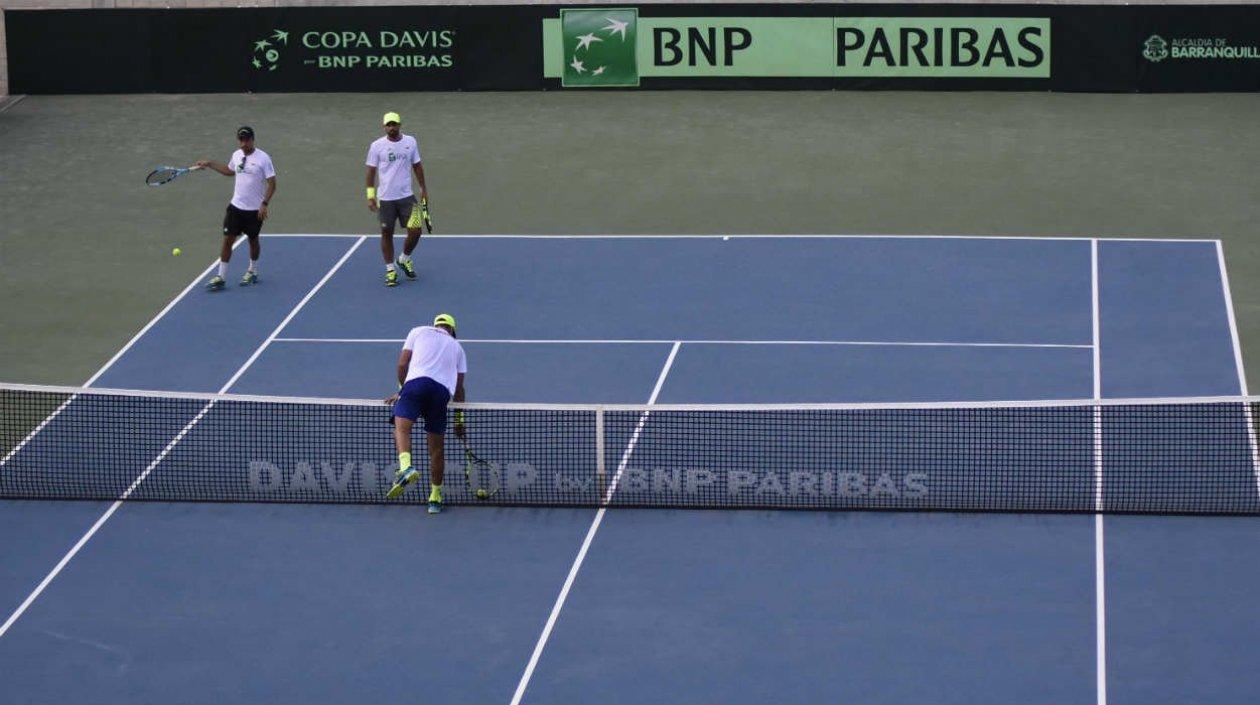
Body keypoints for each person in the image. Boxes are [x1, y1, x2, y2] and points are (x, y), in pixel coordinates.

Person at [386, 313, 466, 514]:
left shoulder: (418, 331)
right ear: (452, 330)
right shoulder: (458, 348)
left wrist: (402, 390)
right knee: (436, 450)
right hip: (441, 393)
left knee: (401, 427)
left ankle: (406, 467)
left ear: (436, 325)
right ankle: (435, 498)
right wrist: (459, 420)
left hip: (416, 385)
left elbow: (402, 365)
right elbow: (459, 390)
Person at [196, 126, 277, 291]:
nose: (243, 143)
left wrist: (264, 204)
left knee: (253, 240)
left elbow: (272, 184)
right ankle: (221, 277)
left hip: (254, 210)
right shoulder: (236, 155)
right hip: (236, 207)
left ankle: (252, 271)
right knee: (227, 240)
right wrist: (210, 164)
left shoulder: (263, 158)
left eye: (246, 140)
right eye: (241, 140)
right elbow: (229, 171)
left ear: (252, 140)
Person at [365, 111, 430, 287]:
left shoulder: (411, 142)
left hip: (407, 197)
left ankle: (404, 258)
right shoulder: (377, 146)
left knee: (416, 230)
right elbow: (370, 171)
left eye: (394, 124)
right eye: (388, 125)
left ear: (400, 125)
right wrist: (370, 196)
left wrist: (423, 188)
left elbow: (417, 166)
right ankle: (390, 270)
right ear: (384, 127)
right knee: (387, 233)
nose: (391, 127)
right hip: (385, 199)